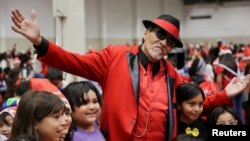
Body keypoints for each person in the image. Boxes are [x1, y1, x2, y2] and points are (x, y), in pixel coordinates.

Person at [10, 8, 250, 141]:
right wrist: (41, 43)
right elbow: (74, 62)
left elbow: (193, 107)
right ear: (146, 33)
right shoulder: (115, 56)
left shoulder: (171, 74)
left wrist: (224, 95)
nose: (164, 43)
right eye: (159, 35)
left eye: (170, 42)